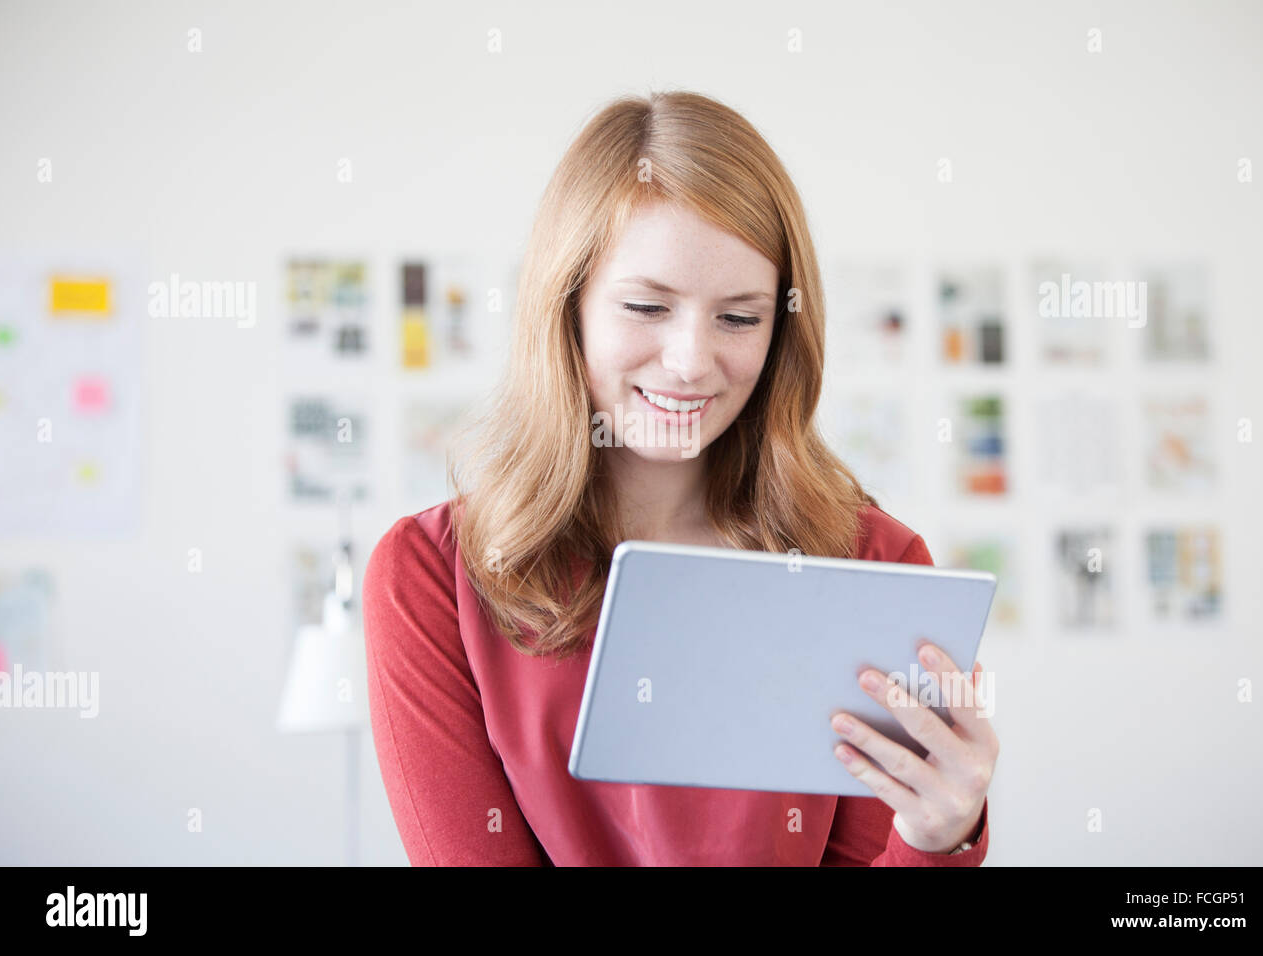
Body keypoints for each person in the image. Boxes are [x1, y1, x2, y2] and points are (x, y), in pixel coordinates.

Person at [362, 90, 998, 865]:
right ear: (566, 309)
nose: (693, 362)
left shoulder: (873, 564)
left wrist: (938, 841)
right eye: (645, 306)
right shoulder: (431, 576)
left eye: (739, 318)